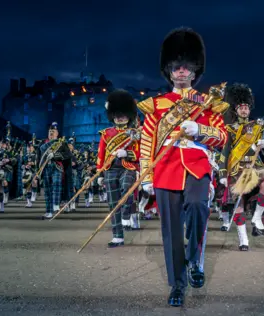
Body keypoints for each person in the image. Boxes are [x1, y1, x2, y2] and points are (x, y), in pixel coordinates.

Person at [136, 27, 228, 307]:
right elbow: (146, 140)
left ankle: (193, 259)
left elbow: (222, 137)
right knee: (171, 230)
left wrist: (199, 128)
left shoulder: (208, 104)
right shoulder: (157, 105)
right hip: (165, 169)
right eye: (176, 66)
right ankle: (177, 283)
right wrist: (145, 175)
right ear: (169, 69)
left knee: (200, 206)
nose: (182, 71)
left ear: (195, 69)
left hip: (197, 167)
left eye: (187, 66)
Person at [218, 83, 264, 250]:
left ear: (250, 110)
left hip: (254, 166)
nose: (244, 110)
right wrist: (222, 172)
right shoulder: (229, 129)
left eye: (246, 107)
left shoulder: (258, 127)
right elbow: (225, 152)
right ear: (236, 110)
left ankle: (257, 218)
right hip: (236, 168)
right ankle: (243, 239)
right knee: (238, 204)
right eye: (241, 107)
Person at [96, 89, 140, 247]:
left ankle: (126, 215)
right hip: (110, 168)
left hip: (128, 166)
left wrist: (127, 152)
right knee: (113, 202)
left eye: (123, 113)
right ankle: (117, 236)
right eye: (117, 114)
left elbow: (140, 153)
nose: (120, 117)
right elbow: (101, 153)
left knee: (127, 189)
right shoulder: (106, 133)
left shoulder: (135, 133)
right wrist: (99, 172)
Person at [37, 122, 72, 219]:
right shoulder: (43, 144)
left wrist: (55, 155)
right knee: (47, 190)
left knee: (56, 184)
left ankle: (56, 204)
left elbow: (68, 155)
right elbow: (38, 159)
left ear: (57, 133)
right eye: (50, 131)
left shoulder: (61, 143)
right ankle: (49, 211)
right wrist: (37, 173)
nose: (51, 133)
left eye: (53, 131)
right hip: (46, 168)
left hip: (57, 167)